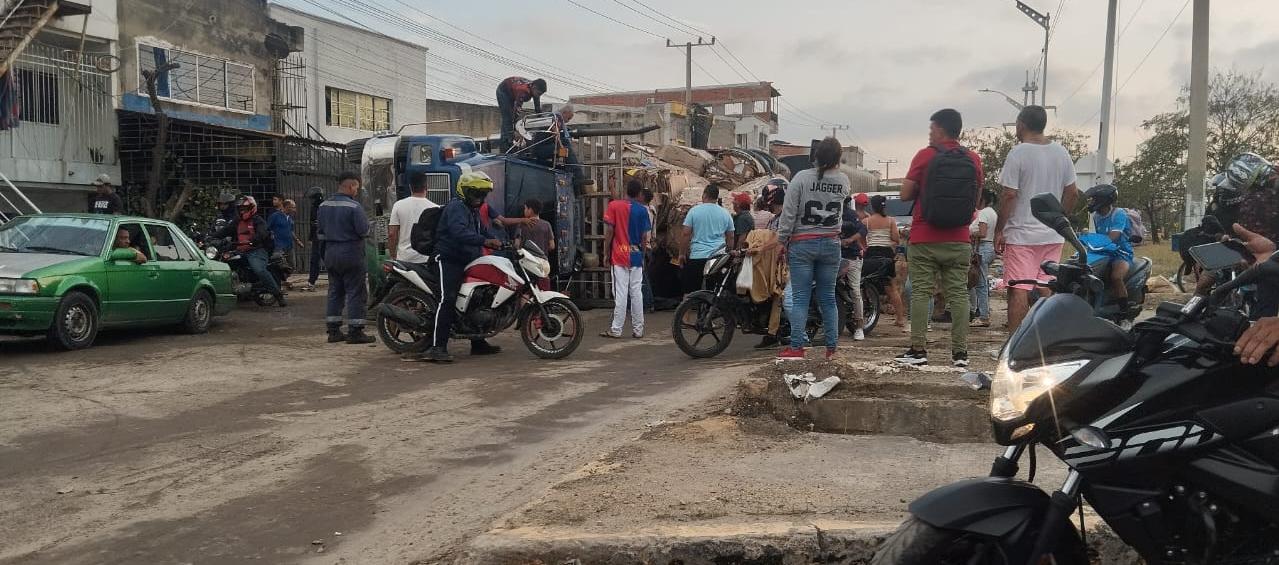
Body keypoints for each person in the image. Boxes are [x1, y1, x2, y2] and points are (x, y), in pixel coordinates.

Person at [895, 109, 983, 368]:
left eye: (931, 129)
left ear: (941, 129)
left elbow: (904, 194)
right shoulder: (973, 159)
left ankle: (918, 350)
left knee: (921, 292)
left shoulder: (925, 155)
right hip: (959, 239)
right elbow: (975, 199)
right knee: (958, 294)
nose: (930, 134)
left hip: (924, 237)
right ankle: (960, 354)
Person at [993, 105, 1081, 335]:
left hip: (1021, 235)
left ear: (1021, 124)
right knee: (1046, 286)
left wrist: (999, 230)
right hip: (1052, 235)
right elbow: (1072, 193)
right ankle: (1050, 340)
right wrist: (1059, 220)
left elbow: (1009, 195)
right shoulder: (1061, 152)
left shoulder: (1018, 153)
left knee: (1019, 287)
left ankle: (1015, 344)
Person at [413, 172, 506, 363]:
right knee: (447, 299)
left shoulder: (472, 210)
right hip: (448, 259)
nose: (479, 198)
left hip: (468, 259)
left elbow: (483, 231)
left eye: (482, 194)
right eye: (476, 193)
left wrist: (501, 242)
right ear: (464, 191)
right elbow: (459, 232)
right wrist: (485, 241)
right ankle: (437, 347)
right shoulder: (456, 207)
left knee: (477, 299)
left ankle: (478, 343)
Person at [776, 137, 849, 361]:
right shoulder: (843, 180)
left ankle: (797, 347)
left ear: (815, 155)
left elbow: (789, 212)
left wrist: (781, 240)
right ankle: (831, 348)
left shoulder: (801, 178)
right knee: (827, 297)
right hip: (831, 243)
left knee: (800, 298)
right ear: (838, 157)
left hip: (802, 242)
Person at [317, 172, 373, 344]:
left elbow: (320, 233)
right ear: (350, 186)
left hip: (331, 252)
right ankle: (355, 332)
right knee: (356, 292)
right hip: (351, 253)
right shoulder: (354, 207)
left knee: (335, 291)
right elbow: (363, 231)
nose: (357, 191)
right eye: (356, 187)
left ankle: (333, 331)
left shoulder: (323, 206)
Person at [212, 196, 286, 307]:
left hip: (256, 250)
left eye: (245, 208)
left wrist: (253, 240)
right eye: (240, 209)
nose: (242, 211)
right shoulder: (237, 221)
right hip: (240, 250)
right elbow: (225, 230)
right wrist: (211, 237)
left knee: (259, 270)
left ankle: (278, 294)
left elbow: (262, 233)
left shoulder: (258, 220)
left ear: (252, 208)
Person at [601, 180, 652, 339]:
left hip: (619, 255)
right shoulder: (643, 210)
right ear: (639, 194)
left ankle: (616, 329)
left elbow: (609, 231)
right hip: (636, 255)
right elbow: (644, 236)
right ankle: (638, 330)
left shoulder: (614, 206)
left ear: (626, 190)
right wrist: (642, 255)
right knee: (636, 293)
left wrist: (605, 253)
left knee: (621, 293)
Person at [1085, 184, 1134, 318]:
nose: (1091, 202)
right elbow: (1098, 236)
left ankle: (1124, 313)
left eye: (1094, 199)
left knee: (1116, 277)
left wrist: (1095, 241)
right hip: (1103, 251)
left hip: (1121, 253)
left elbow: (1114, 236)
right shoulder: (1096, 216)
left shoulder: (1119, 214)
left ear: (1104, 200)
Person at [680, 184, 735, 295]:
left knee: (691, 292)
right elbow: (731, 236)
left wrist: (682, 253)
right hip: (718, 259)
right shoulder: (725, 213)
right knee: (714, 292)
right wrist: (729, 253)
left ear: (704, 195)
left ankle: (690, 305)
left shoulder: (694, 211)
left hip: (697, 256)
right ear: (716, 197)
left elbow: (686, 234)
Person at [754, 180, 790, 349]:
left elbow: (778, 239)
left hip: (786, 264)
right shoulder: (773, 219)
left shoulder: (785, 218)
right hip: (773, 263)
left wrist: (761, 248)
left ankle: (773, 333)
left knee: (777, 296)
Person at [865, 195, 907, 331]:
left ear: (872, 206)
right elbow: (896, 239)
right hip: (886, 254)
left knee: (866, 284)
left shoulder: (867, 221)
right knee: (892, 287)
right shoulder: (890, 220)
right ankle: (900, 319)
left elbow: (862, 239)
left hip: (871, 254)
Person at [387, 172, 439, 264]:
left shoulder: (398, 205)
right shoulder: (435, 208)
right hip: (426, 259)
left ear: (410, 187)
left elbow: (392, 234)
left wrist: (392, 256)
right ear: (427, 187)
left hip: (404, 259)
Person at [840, 195, 868, 341]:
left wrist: (850, 240)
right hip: (833, 257)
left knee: (855, 291)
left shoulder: (851, 215)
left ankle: (859, 326)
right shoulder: (827, 214)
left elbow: (863, 230)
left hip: (852, 257)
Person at [969, 190, 998, 327]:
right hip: (988, 247)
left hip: (982, 248)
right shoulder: (992, 213)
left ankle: (983, 315)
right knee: (983, 282)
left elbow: (982, 232)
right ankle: (983, 311)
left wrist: (968, 233)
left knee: (980, 283)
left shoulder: (984, 213)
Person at [496, 76, 547, 152]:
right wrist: (515, 129)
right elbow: (517, 110)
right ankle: (506, 144)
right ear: (534, 87)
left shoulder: (534, 90)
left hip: (512, 91)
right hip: (503, 91)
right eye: (539, 93)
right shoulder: (523, 91)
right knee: (508, 118)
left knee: (509, 117)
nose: (538, 96)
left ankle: (507, 140)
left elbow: (537, 107)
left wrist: (542, 119)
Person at [515, 198, 555, 291]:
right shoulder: (547, 225)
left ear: (530, 210)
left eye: (525, 208)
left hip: (526, 264)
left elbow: (517, 245)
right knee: (543, 291)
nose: (524, 210)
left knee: (525, 291)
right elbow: (552, 246)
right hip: (542, 264)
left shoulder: (522, 225)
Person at [267, 198, 297, 287]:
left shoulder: (290, 218)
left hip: (289, 245)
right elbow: (267, 228)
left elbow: (291, 231)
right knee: (280, 266)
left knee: (292, 266)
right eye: (293, 207)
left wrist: (297, 241)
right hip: (278, 246)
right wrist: (271, 235)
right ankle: (277, 283)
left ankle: (281, 280)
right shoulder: (275, 216)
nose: (294, 210)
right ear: (286, 207)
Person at [303, 187, 325, 291]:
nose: (311, 201)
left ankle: (337, 280)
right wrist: (310, 238)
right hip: (317, 237)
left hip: (325, 237)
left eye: (312, 198)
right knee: (314, 259)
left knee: (327, 258)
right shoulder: (313, 207)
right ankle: (311, 281)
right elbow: (312, 224)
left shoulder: (325, 206)